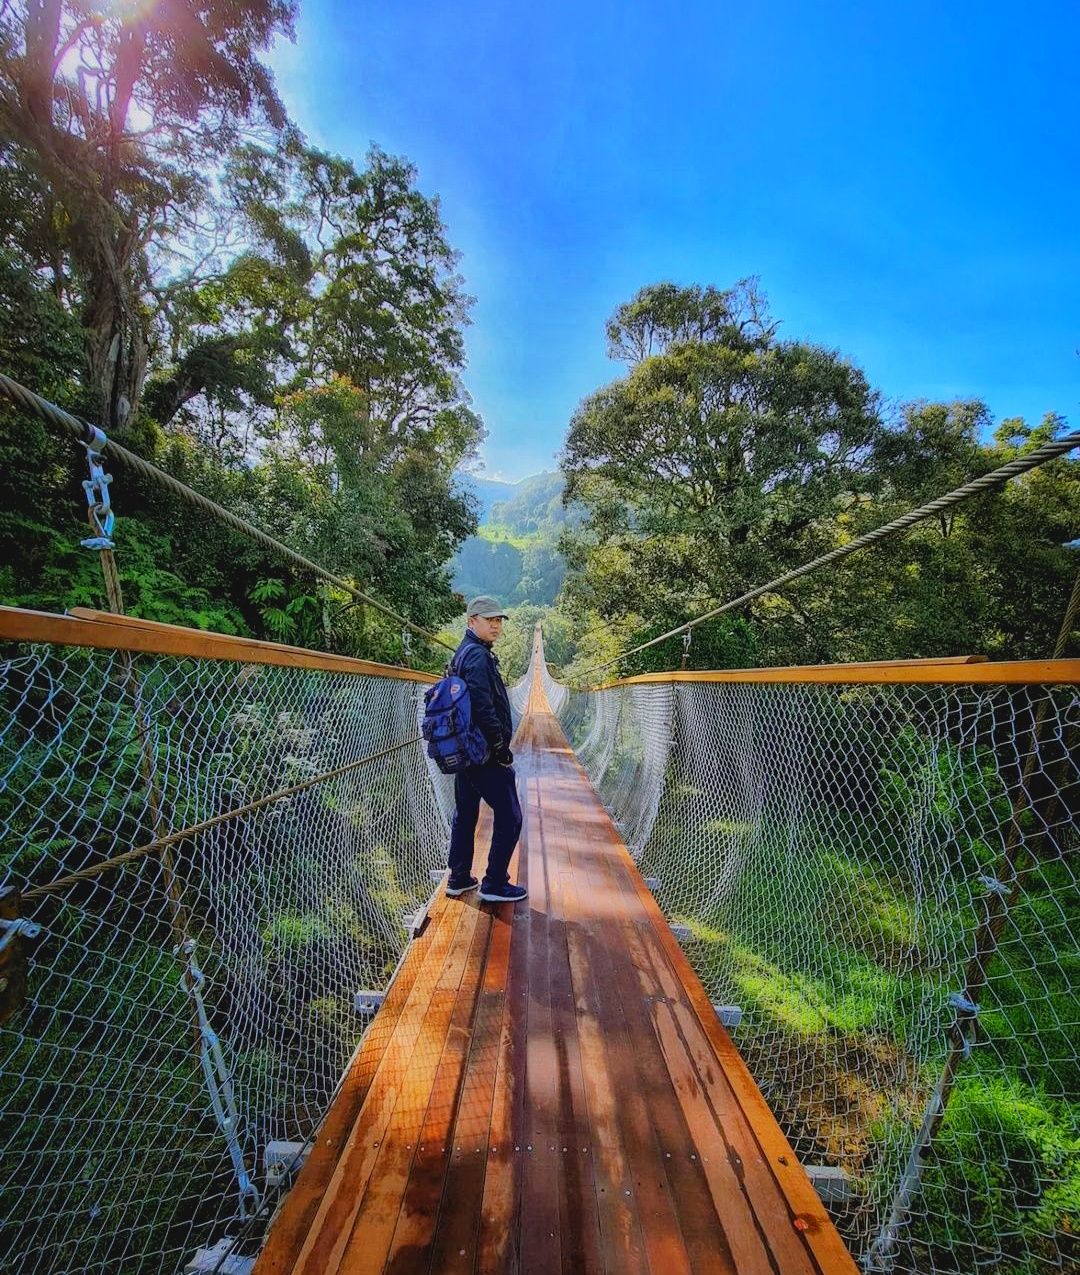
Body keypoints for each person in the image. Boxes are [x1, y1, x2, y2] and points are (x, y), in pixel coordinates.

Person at [445, 596, 527, 903]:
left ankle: (459, 877)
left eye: (498, 619)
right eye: (488, 619)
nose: (495, 624)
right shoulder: (478, 656)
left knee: (466, 812)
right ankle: (494, 884)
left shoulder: (462, 653)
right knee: (510, 815)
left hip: (466, 750)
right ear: (471, 621)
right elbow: (482, 706)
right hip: (482, 752)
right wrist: (500, 747)